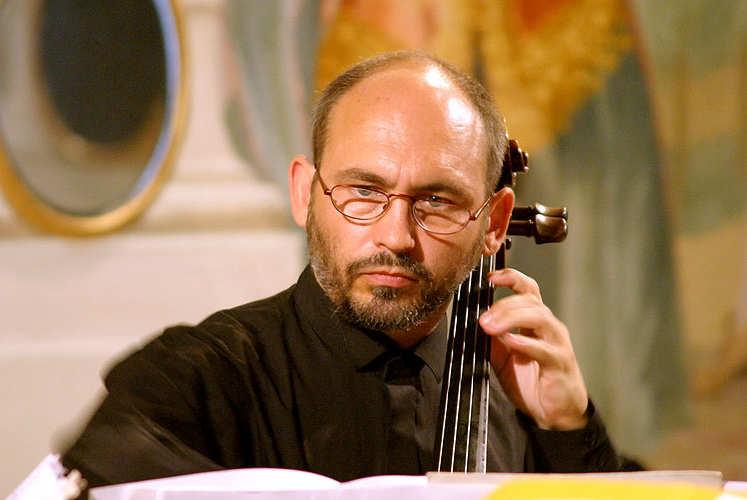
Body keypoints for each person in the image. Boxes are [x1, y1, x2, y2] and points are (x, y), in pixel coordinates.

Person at [62, 51, 640, 492]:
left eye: (436, 200)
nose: (395, 235)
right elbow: (103, 469)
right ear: (303, 194)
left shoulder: (529, 408)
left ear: (496, 222)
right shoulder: (195, 378)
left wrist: (570, 432)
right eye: (364, 191)